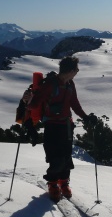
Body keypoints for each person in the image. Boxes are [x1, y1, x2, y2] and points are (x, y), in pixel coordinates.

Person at [23, 56, 97, 202]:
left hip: (66, 125)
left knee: (67, 156)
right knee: (55, 157)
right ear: (70, 71)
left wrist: (86, 117)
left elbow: (74, 104)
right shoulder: (50, 84)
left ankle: (63, 181)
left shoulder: (70, 84)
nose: (77, 72)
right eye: (76, 70)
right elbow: (35, 104)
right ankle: (52, 183)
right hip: (51, 125)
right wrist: (27, 100)